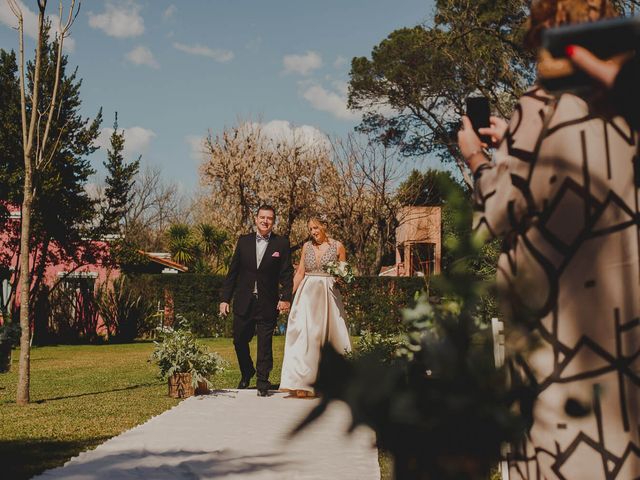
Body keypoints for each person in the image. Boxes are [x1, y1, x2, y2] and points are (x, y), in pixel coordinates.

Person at [457, 1, 639, 478]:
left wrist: (478, 159)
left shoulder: (542, 108)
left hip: (563, 334)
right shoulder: (627, 107)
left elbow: (495, 214)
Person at [219, 205, 293, 397]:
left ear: (273, 221)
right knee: (239, 340)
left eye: (269, 218)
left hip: (268, 302)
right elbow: (232, 272)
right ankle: (247, 371)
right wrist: (225, 299)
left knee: (265, 344)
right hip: (244, 300)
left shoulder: (281, 244)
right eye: (262, 217)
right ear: (256, 218)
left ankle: (262, 381)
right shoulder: (243, 241)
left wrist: (286, 298)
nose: (265, 221)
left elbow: (286, 274)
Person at [279, 217, 352, 398]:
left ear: (324, 226)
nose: (313, 232)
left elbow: (345, 272)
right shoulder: (306, 247)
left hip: (328, 295)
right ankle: (301, 383)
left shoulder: (338, 246)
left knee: (328, 337)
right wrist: (287, 298)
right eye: (310, 229)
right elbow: (300, 273)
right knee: (304, 335)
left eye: (316, 228)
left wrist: (341, 277)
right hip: (307, 295)